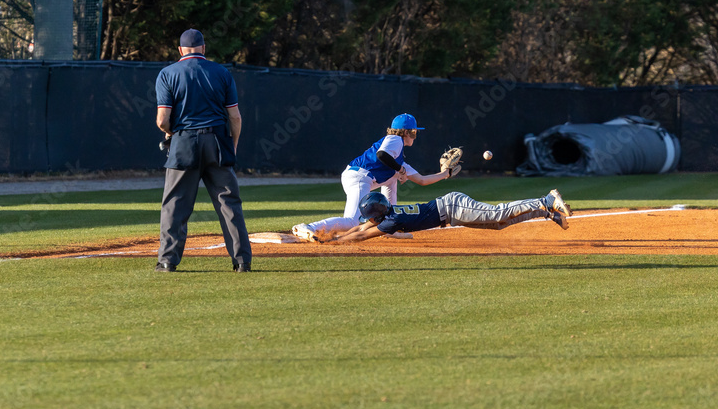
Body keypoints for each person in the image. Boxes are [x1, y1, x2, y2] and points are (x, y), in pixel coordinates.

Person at [154, 28, 251, 273]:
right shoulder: (221, 72)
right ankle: (241, 262)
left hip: (184, 142)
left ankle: (167, 261)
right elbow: (235, 116)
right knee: (229, 203)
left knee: (175, 204)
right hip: (217, 141)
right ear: (203, 49)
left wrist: (170, 133)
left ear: (180, 51)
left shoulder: (168, 74)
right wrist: (233, 145)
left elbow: (162, 119)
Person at [291, 113, 454, 242]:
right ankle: (309, 227)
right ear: (406, 132)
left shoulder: (399, 159)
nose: (414, 135)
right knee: (352, 221)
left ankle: (390, 228)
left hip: (361, 177)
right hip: (359, 176)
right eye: (414, 132)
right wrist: (400, 169)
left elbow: (422, 180)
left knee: (392, 179)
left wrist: (446, 173)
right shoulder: (395, 139)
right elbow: (382, 154)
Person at [318, 188, 572, 244]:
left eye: (369, 217)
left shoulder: (392, 221)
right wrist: (339, 235)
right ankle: (545, 212)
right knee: (498, 225)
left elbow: (363, 236)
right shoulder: (388, 214)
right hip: (450, 213)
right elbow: (361, 228)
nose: (367, 220)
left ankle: (547, 200)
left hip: (452, 207)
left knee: (498, 212)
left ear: (377, 215)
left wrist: (334, 242)